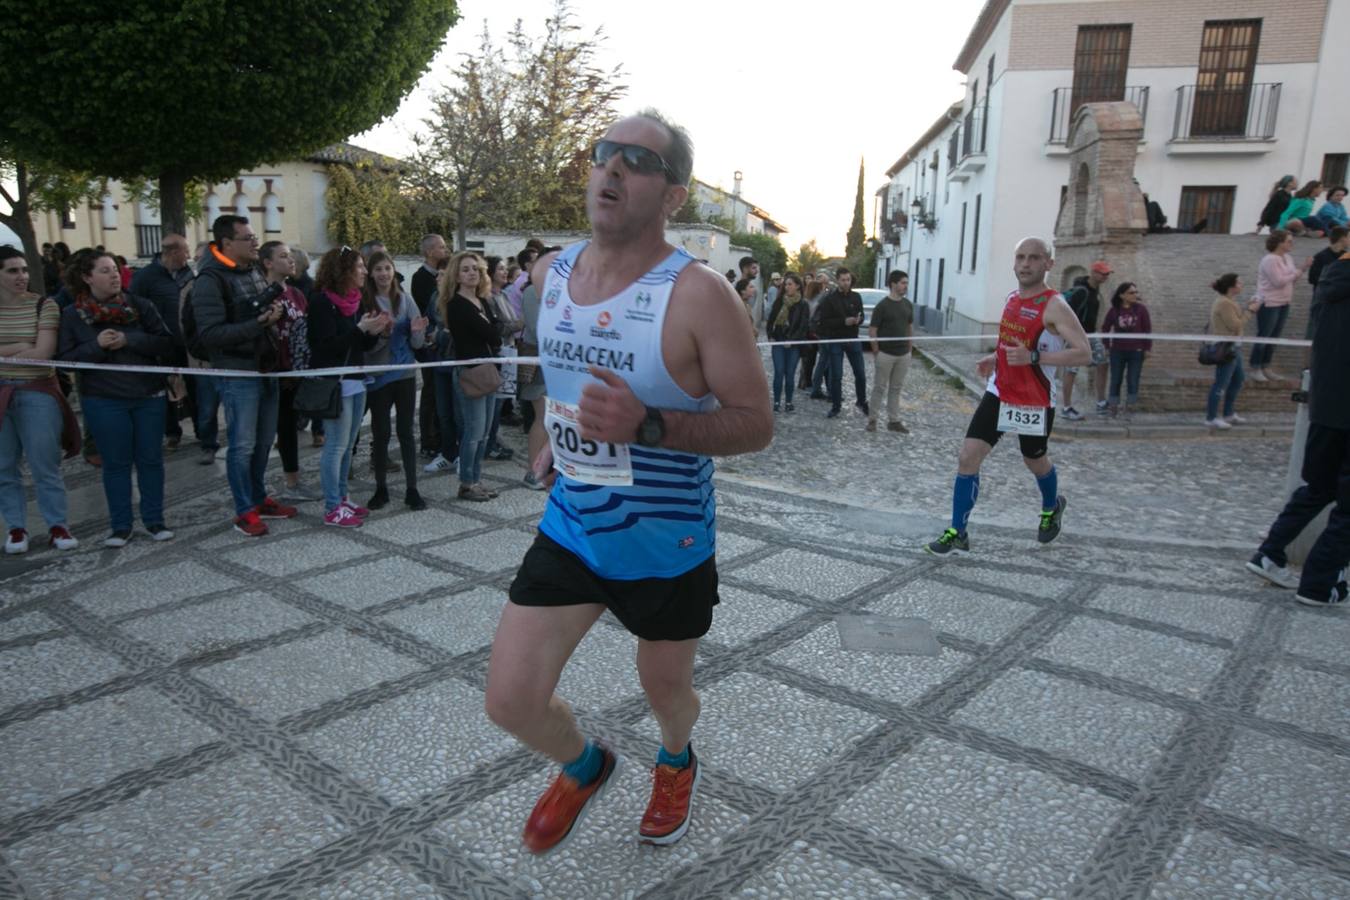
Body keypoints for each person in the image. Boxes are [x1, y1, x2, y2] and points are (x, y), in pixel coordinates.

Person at [484, 110, 772, 855]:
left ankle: (676, 760)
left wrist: (649, 424)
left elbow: (755, 423)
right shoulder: (550, 276)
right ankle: (587, 764)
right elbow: (559, 367)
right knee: (510, 701)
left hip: (665, 542)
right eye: (602, 153)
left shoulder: (702, 296)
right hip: (575, 525)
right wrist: (550, 431)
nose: (610, 169)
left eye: (636, 161)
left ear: (673, 195)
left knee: (667, 695)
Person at [925, 237, 1091, 556]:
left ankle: (1051, 507)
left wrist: (1034, 359)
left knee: (1035, 461)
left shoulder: (1055, 305)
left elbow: (1083, 353)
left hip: (1035, 399)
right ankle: (958, 530)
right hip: (1000, 392)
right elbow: (1011, 343)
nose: (1025, 264)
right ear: (1014, 263)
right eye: (1020, 257)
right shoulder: (1012, 298)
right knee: (967, 457)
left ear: (1048, 264)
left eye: (1033, 258)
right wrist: (995, 359)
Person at [1245, 249, 1350, 607]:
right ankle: (1319, 583)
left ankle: (1270, 553)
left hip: (1326, 406)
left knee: (1317, 488)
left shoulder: (1331, 279)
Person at [57, 251, 176, 546]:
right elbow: (65, 360)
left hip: (148, 395)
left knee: (150, 460)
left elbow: (167, 343)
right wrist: (96, 346)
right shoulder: (73, 315)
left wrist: (130, 339)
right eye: (105, 271)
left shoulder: (140, 306)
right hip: (104, 399)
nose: (114, 276)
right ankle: (121, 526)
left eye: (116, 270)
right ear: (87, 277)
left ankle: (154, 520)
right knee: (116, 463)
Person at [194, 214, 296, 536]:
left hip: (265, 366)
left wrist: (270, 309)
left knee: (265, 440)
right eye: (248, 238)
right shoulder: (209, 280)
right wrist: (259, 324)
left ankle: (258, 495)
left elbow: (250, 307)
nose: (255, 242)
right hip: (237, 371)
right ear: (226, 243)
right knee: (242, 444)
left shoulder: (251, 270)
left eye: (254, 237)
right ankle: (244, 510)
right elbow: (210, 334)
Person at [0, 245, 79, 554]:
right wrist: (21, 344)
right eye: (12, 270)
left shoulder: (43, 306)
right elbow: (30, 350)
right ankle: (16, 528)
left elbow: (42, 354)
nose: (22, 276)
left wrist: (11, 350)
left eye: (24, 269)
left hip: (37, 390)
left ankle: (57, 525)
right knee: (4, 466)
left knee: (45, 463)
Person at [308, 247, 385, 526]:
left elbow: (358, 345)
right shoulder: (321, 302)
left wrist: (374, 333)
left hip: (355, 381)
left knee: (349, 444)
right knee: (336, 446)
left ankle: (342, 497)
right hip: (334, 383)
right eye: (359, 266)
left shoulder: (356, 301)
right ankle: (332, 507)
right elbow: (324, 348)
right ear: (343, 270)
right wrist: (360, 331)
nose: (365, 271)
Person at [362, 250, 427, 511]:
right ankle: (381, 488)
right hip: (378, 374)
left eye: (387, 268)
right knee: (380, 433)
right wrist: (381, 333)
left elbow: (417, 343)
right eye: (378, 269)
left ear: (393, 271)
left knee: (406, 432)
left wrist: (417, 332)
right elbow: (365, 346)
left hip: (405, 372)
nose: (383, 274)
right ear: (371, 273)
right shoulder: (365, 301)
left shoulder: (405, 299)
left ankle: (412, 488)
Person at [259, 241, 320, 502]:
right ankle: (259, 487)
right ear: (268, 263)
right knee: (269, 430)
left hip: (295, 372)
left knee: (289, 427)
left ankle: (292, 481)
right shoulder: (262, 293)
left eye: (291, 256)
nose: (290, 260)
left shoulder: (296, 294)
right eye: (283, 256)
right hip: (271, 371)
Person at [440, 251, 500, 501]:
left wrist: (491, 327)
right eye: (465, 269)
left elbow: (493, 334)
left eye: (475, 268)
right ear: (456, 274)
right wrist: (491, 327)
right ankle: (466, 482)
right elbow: (493, 334)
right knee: (473, 432)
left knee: (485, 433)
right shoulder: (456, 305)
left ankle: (476, 479)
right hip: (470, 373)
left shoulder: (482, 301)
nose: (472, 273)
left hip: (488, 369)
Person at [129, 234, 193, 449]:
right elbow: (134, 309)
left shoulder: (187, 274)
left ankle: (204, 433)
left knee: (195, 387)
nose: (189, 255)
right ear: (174, 252)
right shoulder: (145, 277)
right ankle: (171, 431)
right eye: (185, 251)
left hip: (187, 343)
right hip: (160, 345)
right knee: (163, 390)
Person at [1249, 229, 1312, 382]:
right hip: (1269, 303)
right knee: (1265, 335)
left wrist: (1297, 273)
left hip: (1284, 302)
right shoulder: (1270, 259)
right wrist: (1302, 269)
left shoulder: (1288, 258)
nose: (1292, 243)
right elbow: (1278, 281)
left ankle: (1266, 366)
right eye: (1288, 241)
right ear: (1279, 243)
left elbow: (1290, 279)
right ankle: (1255, 367)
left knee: (1275, 337)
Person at [411, 234, 449, 459]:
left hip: (443, 345)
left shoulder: (441, 274)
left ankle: (441, 435)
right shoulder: (421, 278)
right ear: (429, 251)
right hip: (430, 344)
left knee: (441, 393)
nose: (445, 250)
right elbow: (430, 311)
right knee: (430, 392)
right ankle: (428, 438)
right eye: (441, 247)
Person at [1206, 273, 1260, 429]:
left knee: (1237, 380)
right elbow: (1235, 325)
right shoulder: (1224, 303)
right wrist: (1251, 311)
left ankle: (1228, 413)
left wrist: (1247, 309)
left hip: (1234, 346)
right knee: (1221, 383)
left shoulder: (1229, 302)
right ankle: (1211, 417)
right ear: (1232, 286)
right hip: (1226, 347)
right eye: (1239, 282)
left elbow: (1235, 321)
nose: (1242, 285)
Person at [1060, 260, 1111, 420]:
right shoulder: (1082, 291)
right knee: (1071, 370)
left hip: (1091, 335)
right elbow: (1068, 313)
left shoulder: (1095, 291)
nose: (1106, 276)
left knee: (1102, 363)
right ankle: (1067, 407)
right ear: (1094, 273)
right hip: (1075, 336)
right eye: (1103, 273)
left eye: (1107, 274)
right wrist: (1069, 335)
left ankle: (1101, 402)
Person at [866, 269, 914, 433]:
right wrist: (876, 351)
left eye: (906, 283)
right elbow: (873, 330)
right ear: (893, 284)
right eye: (903, 283)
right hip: (885, 354)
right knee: (879, 387)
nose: (905, 286)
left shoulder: (907, 304)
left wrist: (909, 348)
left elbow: (909, 327)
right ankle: (872, 419)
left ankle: (894, 420)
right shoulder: (882, 306)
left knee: (896, 388)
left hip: (903, 354)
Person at [816, 266, 868, 419]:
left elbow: (862, 315)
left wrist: (859, 320)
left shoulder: (856, 297)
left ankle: (861, 400)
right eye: (843, 280)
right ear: (837, 281)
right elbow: (824, 322)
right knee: (836, 375)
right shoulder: (829, 299)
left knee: (860, 373)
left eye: (848, 280)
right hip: (836, 340)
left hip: (853, 339)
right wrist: (843, 321)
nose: (846, 283)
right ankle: (836, 405)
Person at [484, 255, 522, 462]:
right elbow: (498, 327)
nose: (504, 272)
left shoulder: (504, 295)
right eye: (500, 269)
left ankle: (493, 440)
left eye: (505, 268)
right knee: (495, 403)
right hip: (498, 353)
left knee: (501, 400)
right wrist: (518, 325)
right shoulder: (489, 298)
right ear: (490, 272)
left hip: (510, 351)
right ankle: (489, 444)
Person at [1099, 282, 1152, 418]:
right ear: (1122, 295)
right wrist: (1107, 346)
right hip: (1117, 351)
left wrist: (1147, 348)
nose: (1135, 295)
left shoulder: (1141, 310)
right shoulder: (1114, 310)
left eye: (1136, 292)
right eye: (1131, 292)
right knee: (1116, 379)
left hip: (1137, 351)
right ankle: (1113, 407)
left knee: (1133, 379)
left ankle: (1130, 407)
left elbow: (1147, 330)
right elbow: (1105, 328)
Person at [766, 273, 809, 412]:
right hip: (779, 341)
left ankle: (789, 402)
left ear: (797, 286)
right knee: (779, 372)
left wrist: (792, 340)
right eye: (786, 284)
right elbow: (771, 320)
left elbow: (803, 327)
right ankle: (777, 402)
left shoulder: (803, 304)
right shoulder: (780, 302)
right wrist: (770, 335)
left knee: (790, 373)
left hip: (793, 344)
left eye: (790, 284)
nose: (786, 287)